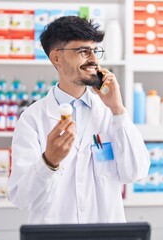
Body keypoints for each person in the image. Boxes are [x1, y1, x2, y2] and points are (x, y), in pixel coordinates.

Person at [8, 16, 150, 224]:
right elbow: (22, 198)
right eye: (83, 51)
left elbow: (135, 172)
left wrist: (118, 110)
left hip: (104, 234)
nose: (94, 59)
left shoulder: (109, 112)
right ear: (56, 58)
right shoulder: (32, 120)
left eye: (96, 50)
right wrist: (49, 162)